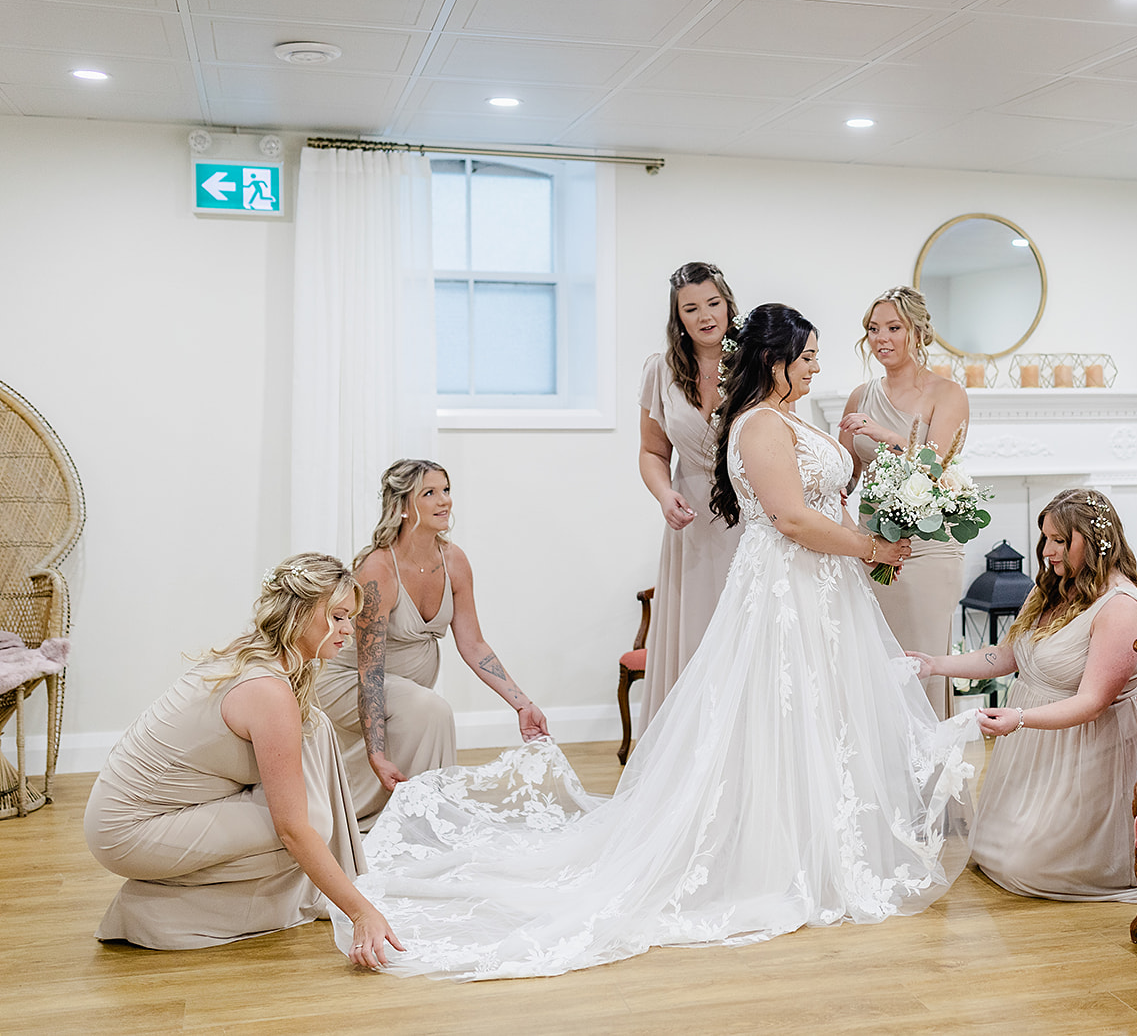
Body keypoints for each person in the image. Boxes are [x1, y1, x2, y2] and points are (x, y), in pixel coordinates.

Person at [333, 304, 983, 980]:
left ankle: (826, 843)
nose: (819, 366)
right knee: (780, 712)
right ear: (776, 360)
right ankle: (776, 854)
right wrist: (869, 546)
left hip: (824, 590)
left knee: (824, 716)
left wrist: (872, 527)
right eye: (809, 356)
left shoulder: (794, 417)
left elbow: (823, 500)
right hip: (787, 590)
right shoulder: (761, 423)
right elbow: (790, 518)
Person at [84, 553, 402, 966]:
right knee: (311, 822)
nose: (348, 629)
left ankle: (321, 883)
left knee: (315, 728)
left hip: (135, 813)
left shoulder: (259, 656)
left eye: (350, 618)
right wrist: (361, 912)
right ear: (300, 612)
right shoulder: (267, 691)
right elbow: (293, 829)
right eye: (338, 616)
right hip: (126, 832)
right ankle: (159, 909)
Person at [911, 488, 1137, 901]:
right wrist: (935, 664)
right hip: (1037, 747)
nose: (1047, 551)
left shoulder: (1121, 608)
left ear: (1094, 541)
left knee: (1026, 868)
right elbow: (1005, 655)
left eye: (1060, 540)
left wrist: (1019, 718)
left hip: (1089, 750)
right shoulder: (1053, 588)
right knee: (988, 852)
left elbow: (1092, 703)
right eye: (1045, 538)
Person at [315, 459, 548, 829]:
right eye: (429, 493)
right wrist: (376, 754)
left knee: (425, 708)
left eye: (446, 490)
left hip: (406, 689)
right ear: (403, 508)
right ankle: (423, 819)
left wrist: (523, 704)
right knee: (432, 710)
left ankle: (422, 815)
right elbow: (370, 674)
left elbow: (474, 644)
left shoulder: (454, 560)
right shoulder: (379, 569)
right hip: (348, 683)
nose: (444, 501)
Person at [838, 286, 970, 718]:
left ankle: (930, 761)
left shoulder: (948, 394)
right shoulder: (860, 396)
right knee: (873, 670)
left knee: (919, 668)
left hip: (926, 549)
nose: (882, 338)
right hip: (871, 545)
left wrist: (884, 435)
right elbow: (847, 473)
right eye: (874, 329)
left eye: (894, 328)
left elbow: (934, 468)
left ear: (917, 331)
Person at [635, 261, 745, 736]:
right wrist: (665, 495)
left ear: (728, 305)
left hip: (748, 514)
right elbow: (652, 451)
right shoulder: (660, 370)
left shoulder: (757, 361)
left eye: (713, 303)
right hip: (691, 519)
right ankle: (689, 750)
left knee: (742, 633)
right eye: (691, 308)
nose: (705, 316)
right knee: (696, 632)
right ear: (677, 316)